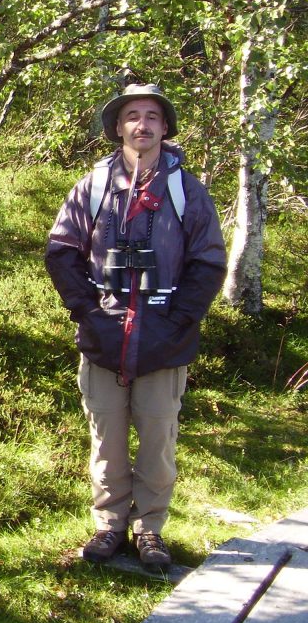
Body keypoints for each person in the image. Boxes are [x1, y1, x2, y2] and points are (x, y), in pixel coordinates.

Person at [45, 84, 227, 567]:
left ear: (164, 127)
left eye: (151, 116)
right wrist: (87, 311)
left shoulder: (186, 190)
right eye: (132, 116)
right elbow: (62, 252)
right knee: (106, 440)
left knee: (158, 439)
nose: (141, 125)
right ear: (118, 127)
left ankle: (150, 531)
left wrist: (179, 320)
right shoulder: (93, 186)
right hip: (103, 339)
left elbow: (208, 263)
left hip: (165, 342)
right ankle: (109, 527)